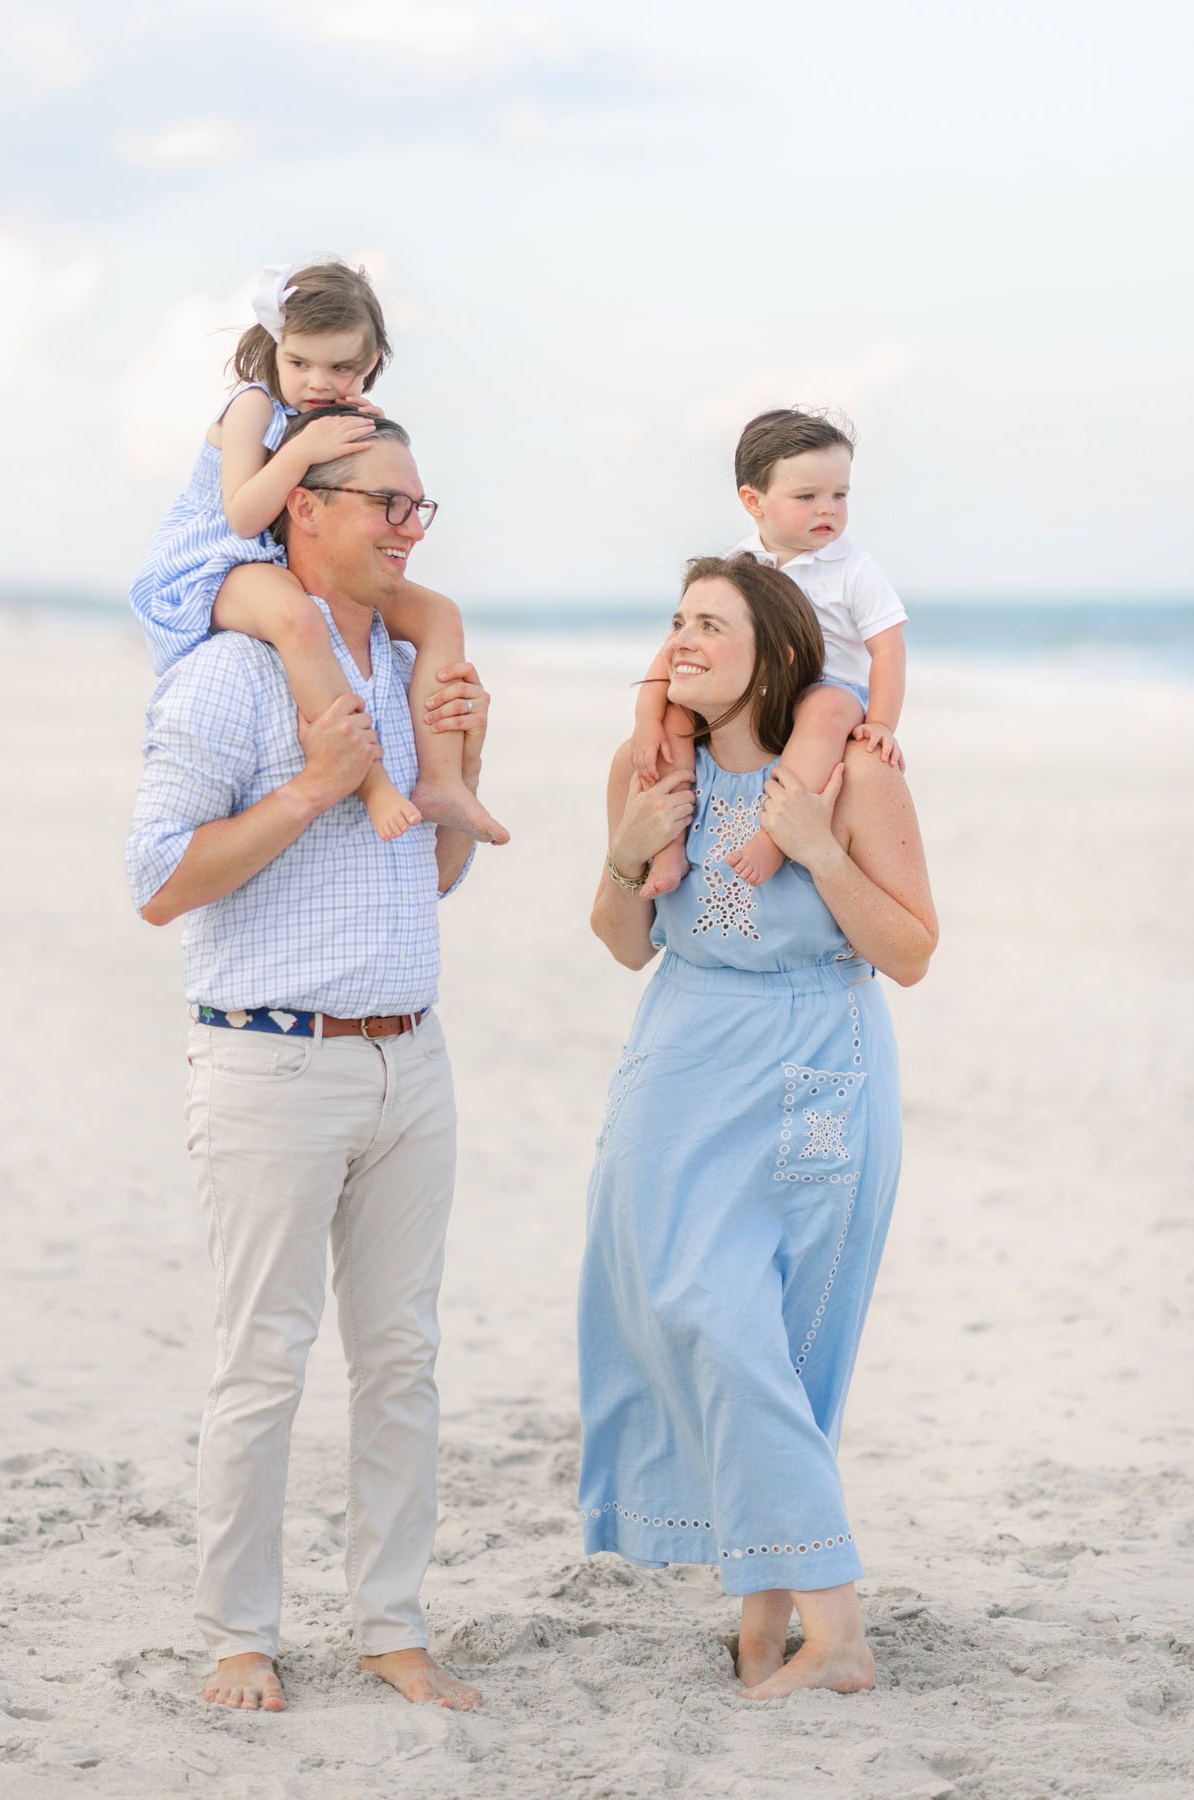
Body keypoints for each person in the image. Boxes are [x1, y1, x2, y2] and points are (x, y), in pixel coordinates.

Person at [126, 412, 487, 1715]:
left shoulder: (399, 670)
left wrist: (458, 769)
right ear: (303, 511)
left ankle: (391, 1629)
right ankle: (238, 1638)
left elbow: (430, 877)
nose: (407, 527)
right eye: (386, 502)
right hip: (271, 1068)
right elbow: (155, 882)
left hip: (410, 1063)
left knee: (401, 1358)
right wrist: (305, 792)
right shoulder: (228, 677)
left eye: (418, 508)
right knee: (262, 1363)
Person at [578, 553, 936, 1701]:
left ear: (776, 655)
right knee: (688, 1316)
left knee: (758, 1337)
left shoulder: (852, 780)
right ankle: (763, 1627)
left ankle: (833, 1639)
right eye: (676, 618)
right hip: (678, 1062)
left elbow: (913, 952)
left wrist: (819, 849)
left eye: (712, 624)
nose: (683, 640)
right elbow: (628, 941)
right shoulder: (645, 772)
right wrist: (631, 845)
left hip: (809, 1066)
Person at [129, 257, 507, 847]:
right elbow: (243, 515)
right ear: (275, 346)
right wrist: (306, 452)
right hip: (208, 564)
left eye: (339, 368)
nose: (315, 382)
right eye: (298, 362)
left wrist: (351, 438)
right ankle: (372, 781)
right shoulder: (253, 405)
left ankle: (441, 779)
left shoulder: (329, 414)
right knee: (297, 618)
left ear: (369, 364)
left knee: (440, 615)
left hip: (265, 558)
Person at [632, 409, 907, 897]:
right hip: (757, 691)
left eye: (839, 495)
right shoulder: (739, 568)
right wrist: (646, 720)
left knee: (827, 706)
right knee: (679, 710)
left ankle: (775, 839)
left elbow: (887, 650)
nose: (828, 509)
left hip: (829, 692)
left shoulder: (854, 568)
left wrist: (882, 723)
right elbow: (676, 650)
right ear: (753, 501)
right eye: (807, 497)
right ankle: (669, 847)